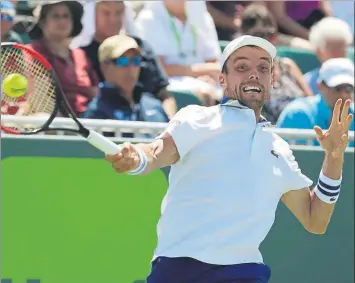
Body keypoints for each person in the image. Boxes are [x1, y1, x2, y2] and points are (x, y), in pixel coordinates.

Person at [105, 35, 352, 283]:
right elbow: (156, 152)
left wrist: (333, 158)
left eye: (263, 68)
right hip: (178, 268)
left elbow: (315, 220)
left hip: (243, 272)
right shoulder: (197, 118)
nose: (253, 74)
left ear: (272, 80)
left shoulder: (280, 150)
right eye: (242, 67)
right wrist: (136, 157)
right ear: (222, 79)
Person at [81, 0, 177, 119]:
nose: (113, 19)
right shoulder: (82, 56)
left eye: (136, 61)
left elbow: (164, 94)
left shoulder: (143, 47)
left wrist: (168, 122)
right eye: (106, 13)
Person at [135, 0, 223, 105]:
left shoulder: (201, 12)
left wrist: (207, 75)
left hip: (206, 80)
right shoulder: (148, 18)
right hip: (169, 84)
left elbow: (214, 60)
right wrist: (200, 73)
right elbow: (161, 69)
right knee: (204, 94)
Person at [239, 3, 314, 123]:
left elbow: (311, 104)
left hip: (301, 135)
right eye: (259, 35)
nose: (266, 41)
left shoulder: (288, 66)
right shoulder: (240, 73)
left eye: (270, 35)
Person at [82, 34, 169, 136]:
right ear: (104, 66)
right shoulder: (96, 113)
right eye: (122, 61)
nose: (131, 68)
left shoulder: (153, 104)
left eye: (136, 60)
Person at [27, 0, 98, 117]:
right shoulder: (30, 53)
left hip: (87, 124)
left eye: (66, 16)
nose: (62, 21)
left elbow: (95, 93)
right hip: (51, 127)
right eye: (56, 16)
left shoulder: (81, 55)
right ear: (42, 21)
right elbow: (38, 99)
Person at [278, 58, 354, 147]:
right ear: (320, 86)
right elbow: (301, 159)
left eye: (349, 89)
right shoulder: (298, 113)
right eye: (337, 88)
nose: (344, 95)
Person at [303, 17, 353, 94]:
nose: (338, 54)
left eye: (342, 48)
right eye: (333, 49)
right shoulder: (307, 82)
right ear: (319, 51)